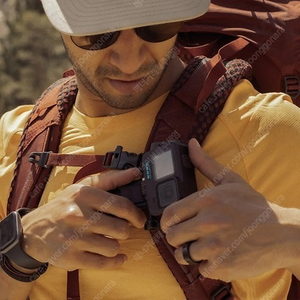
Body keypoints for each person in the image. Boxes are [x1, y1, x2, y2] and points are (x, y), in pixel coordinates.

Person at [0, 0, 299, 299]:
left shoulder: (263, 130)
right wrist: (23, 244)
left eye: (156, 26)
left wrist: (285, 235)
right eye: (100, 32)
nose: (129, 62)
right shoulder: (15, 140)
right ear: (58, 20)